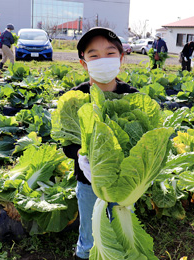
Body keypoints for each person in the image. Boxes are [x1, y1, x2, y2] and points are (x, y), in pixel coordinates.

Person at [63, 27, 138, 260]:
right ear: (84, 63)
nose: (102, 60)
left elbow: (143, 141)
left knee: (121, 231)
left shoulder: (132, 96)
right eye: (93, 55)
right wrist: (80, 156)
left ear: (121, 58)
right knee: (90, 231)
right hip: (88, 183)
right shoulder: (75, 98)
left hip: (124, 184)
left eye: (110, 53)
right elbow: (67, 143)